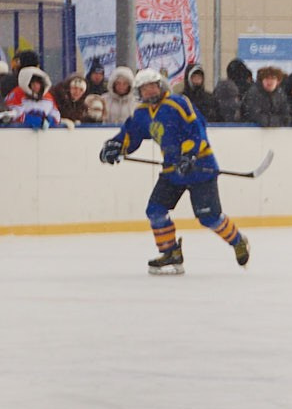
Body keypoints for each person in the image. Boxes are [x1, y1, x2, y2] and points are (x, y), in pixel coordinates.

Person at [96, 67, 251, 274]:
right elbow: (130, 135)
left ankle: (238, 241)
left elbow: (197, 129)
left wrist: (189, 155)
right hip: (172, 170)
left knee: (209, 217)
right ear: (139, 93)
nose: (149, 92)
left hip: (200, 168)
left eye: (152, 86)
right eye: (144, 89)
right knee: (155, 211)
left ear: (160, 86)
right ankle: (171, 252)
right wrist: (114, 147)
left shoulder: (178, 103)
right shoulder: (142, 113)